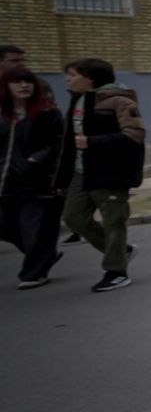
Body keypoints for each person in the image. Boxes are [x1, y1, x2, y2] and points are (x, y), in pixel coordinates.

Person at [60, 59, 144, 293]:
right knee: (73, 218)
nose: (68, 80)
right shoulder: (77, 101)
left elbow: (135, 134)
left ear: (91, 78)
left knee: (114, 222)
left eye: (73, 75)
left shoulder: (120, 101)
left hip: (110, 173)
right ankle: (121, 251)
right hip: (81, 172)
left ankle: (116, 272)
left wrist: (92, 142)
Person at [2, 65, 69, 288]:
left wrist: (36, 159)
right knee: (5, 225)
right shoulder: (3, 115)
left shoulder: (47, 113)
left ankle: (33, 273)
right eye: (17, 82)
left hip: (37, 182)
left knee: (36, 229)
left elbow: (58, 143)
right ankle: (44, 256)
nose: (24, 86)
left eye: (28, 81)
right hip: (6, 182)